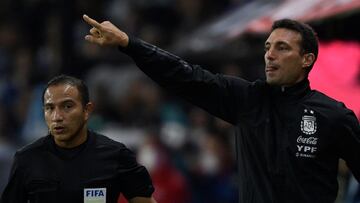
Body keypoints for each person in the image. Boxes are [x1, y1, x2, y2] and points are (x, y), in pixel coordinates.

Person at [82, 14, 360, 203]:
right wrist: (130, 45)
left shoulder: (334, 116)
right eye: (267, 47)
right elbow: (184, 75)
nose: (270, 55)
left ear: (307, 59)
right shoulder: (247, 99)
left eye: (282, 48)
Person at [0, 75, 157, 203]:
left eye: (67, 106)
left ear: (87, 110)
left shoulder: (116, 155)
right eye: (50, 108)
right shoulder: (27, 159)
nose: (57, 117)